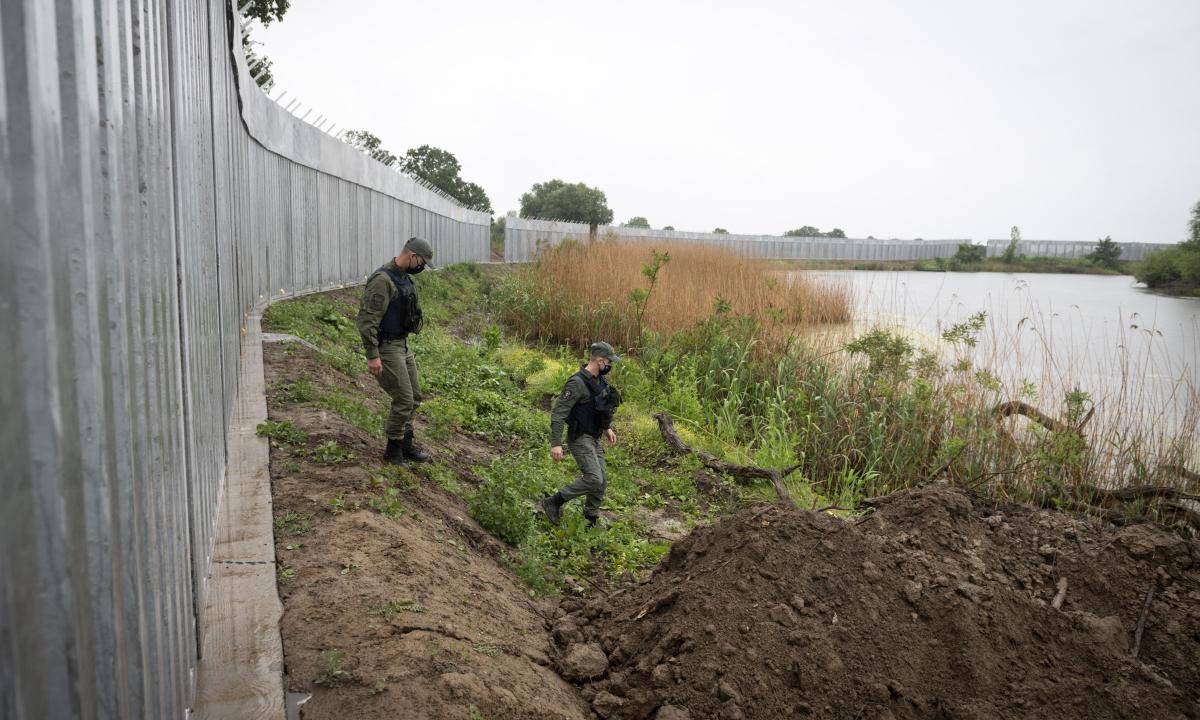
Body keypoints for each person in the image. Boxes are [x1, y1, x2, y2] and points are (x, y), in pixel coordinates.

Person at [356, 236, 434, 467]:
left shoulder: (404, 278)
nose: (421, 267)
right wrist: (373, 355)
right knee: (403, 398)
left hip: (402, 345)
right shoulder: (382, 281)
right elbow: (367, 320)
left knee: (415, 396)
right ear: (412, 256)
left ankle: (407, 443)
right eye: (421, 262)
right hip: (388, 348)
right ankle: (393, 450)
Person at [541, 341, 623, 527]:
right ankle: (554, 501)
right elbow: (558, 413)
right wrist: (556, 443)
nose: (610, 366)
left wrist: (607, 428)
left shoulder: (599, 381)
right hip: (580, 437)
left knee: (601, 481)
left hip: (594, 437)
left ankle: (591, 518)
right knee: (594, 478)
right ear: (600, 361)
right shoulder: (577, 383)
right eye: (609, 362)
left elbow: (599, 408)